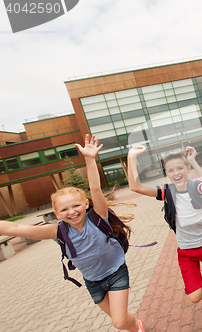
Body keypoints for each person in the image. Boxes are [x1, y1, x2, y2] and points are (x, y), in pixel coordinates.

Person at [0, 134, 145, 332]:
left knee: (118, 322)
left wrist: (90, 159)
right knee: (121, 320)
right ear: (56, 213)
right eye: (65, 209)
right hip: (93, 282)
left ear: (86, 204)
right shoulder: (57, 231)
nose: (72, 212)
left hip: (116, 273)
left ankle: (135, 326)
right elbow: (17, 229)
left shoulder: (98, 217)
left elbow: (94, 188)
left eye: (76, 205)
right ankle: (136, 326)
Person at [127, 145, 202, 322]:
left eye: (180, 168)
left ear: (188, 169)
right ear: (166, 173)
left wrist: (193, 161)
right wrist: (131, 157)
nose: (175, 172)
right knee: (194, 296)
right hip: (186, 251)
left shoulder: (196, 186)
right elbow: (134, 187)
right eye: (170, 170)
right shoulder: (167, 191)